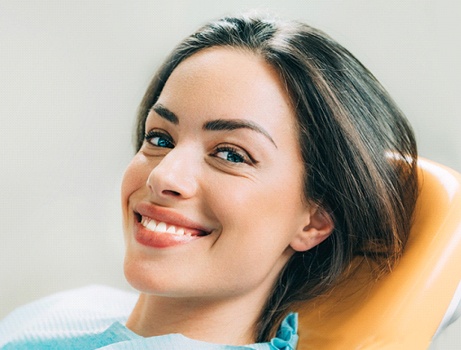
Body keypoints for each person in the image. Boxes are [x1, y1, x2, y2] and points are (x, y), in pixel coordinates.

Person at [0, 12, 418, 349]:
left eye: (231, 154)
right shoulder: (72, 308)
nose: (165, 175)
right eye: (159, 138)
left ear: (314, 221)